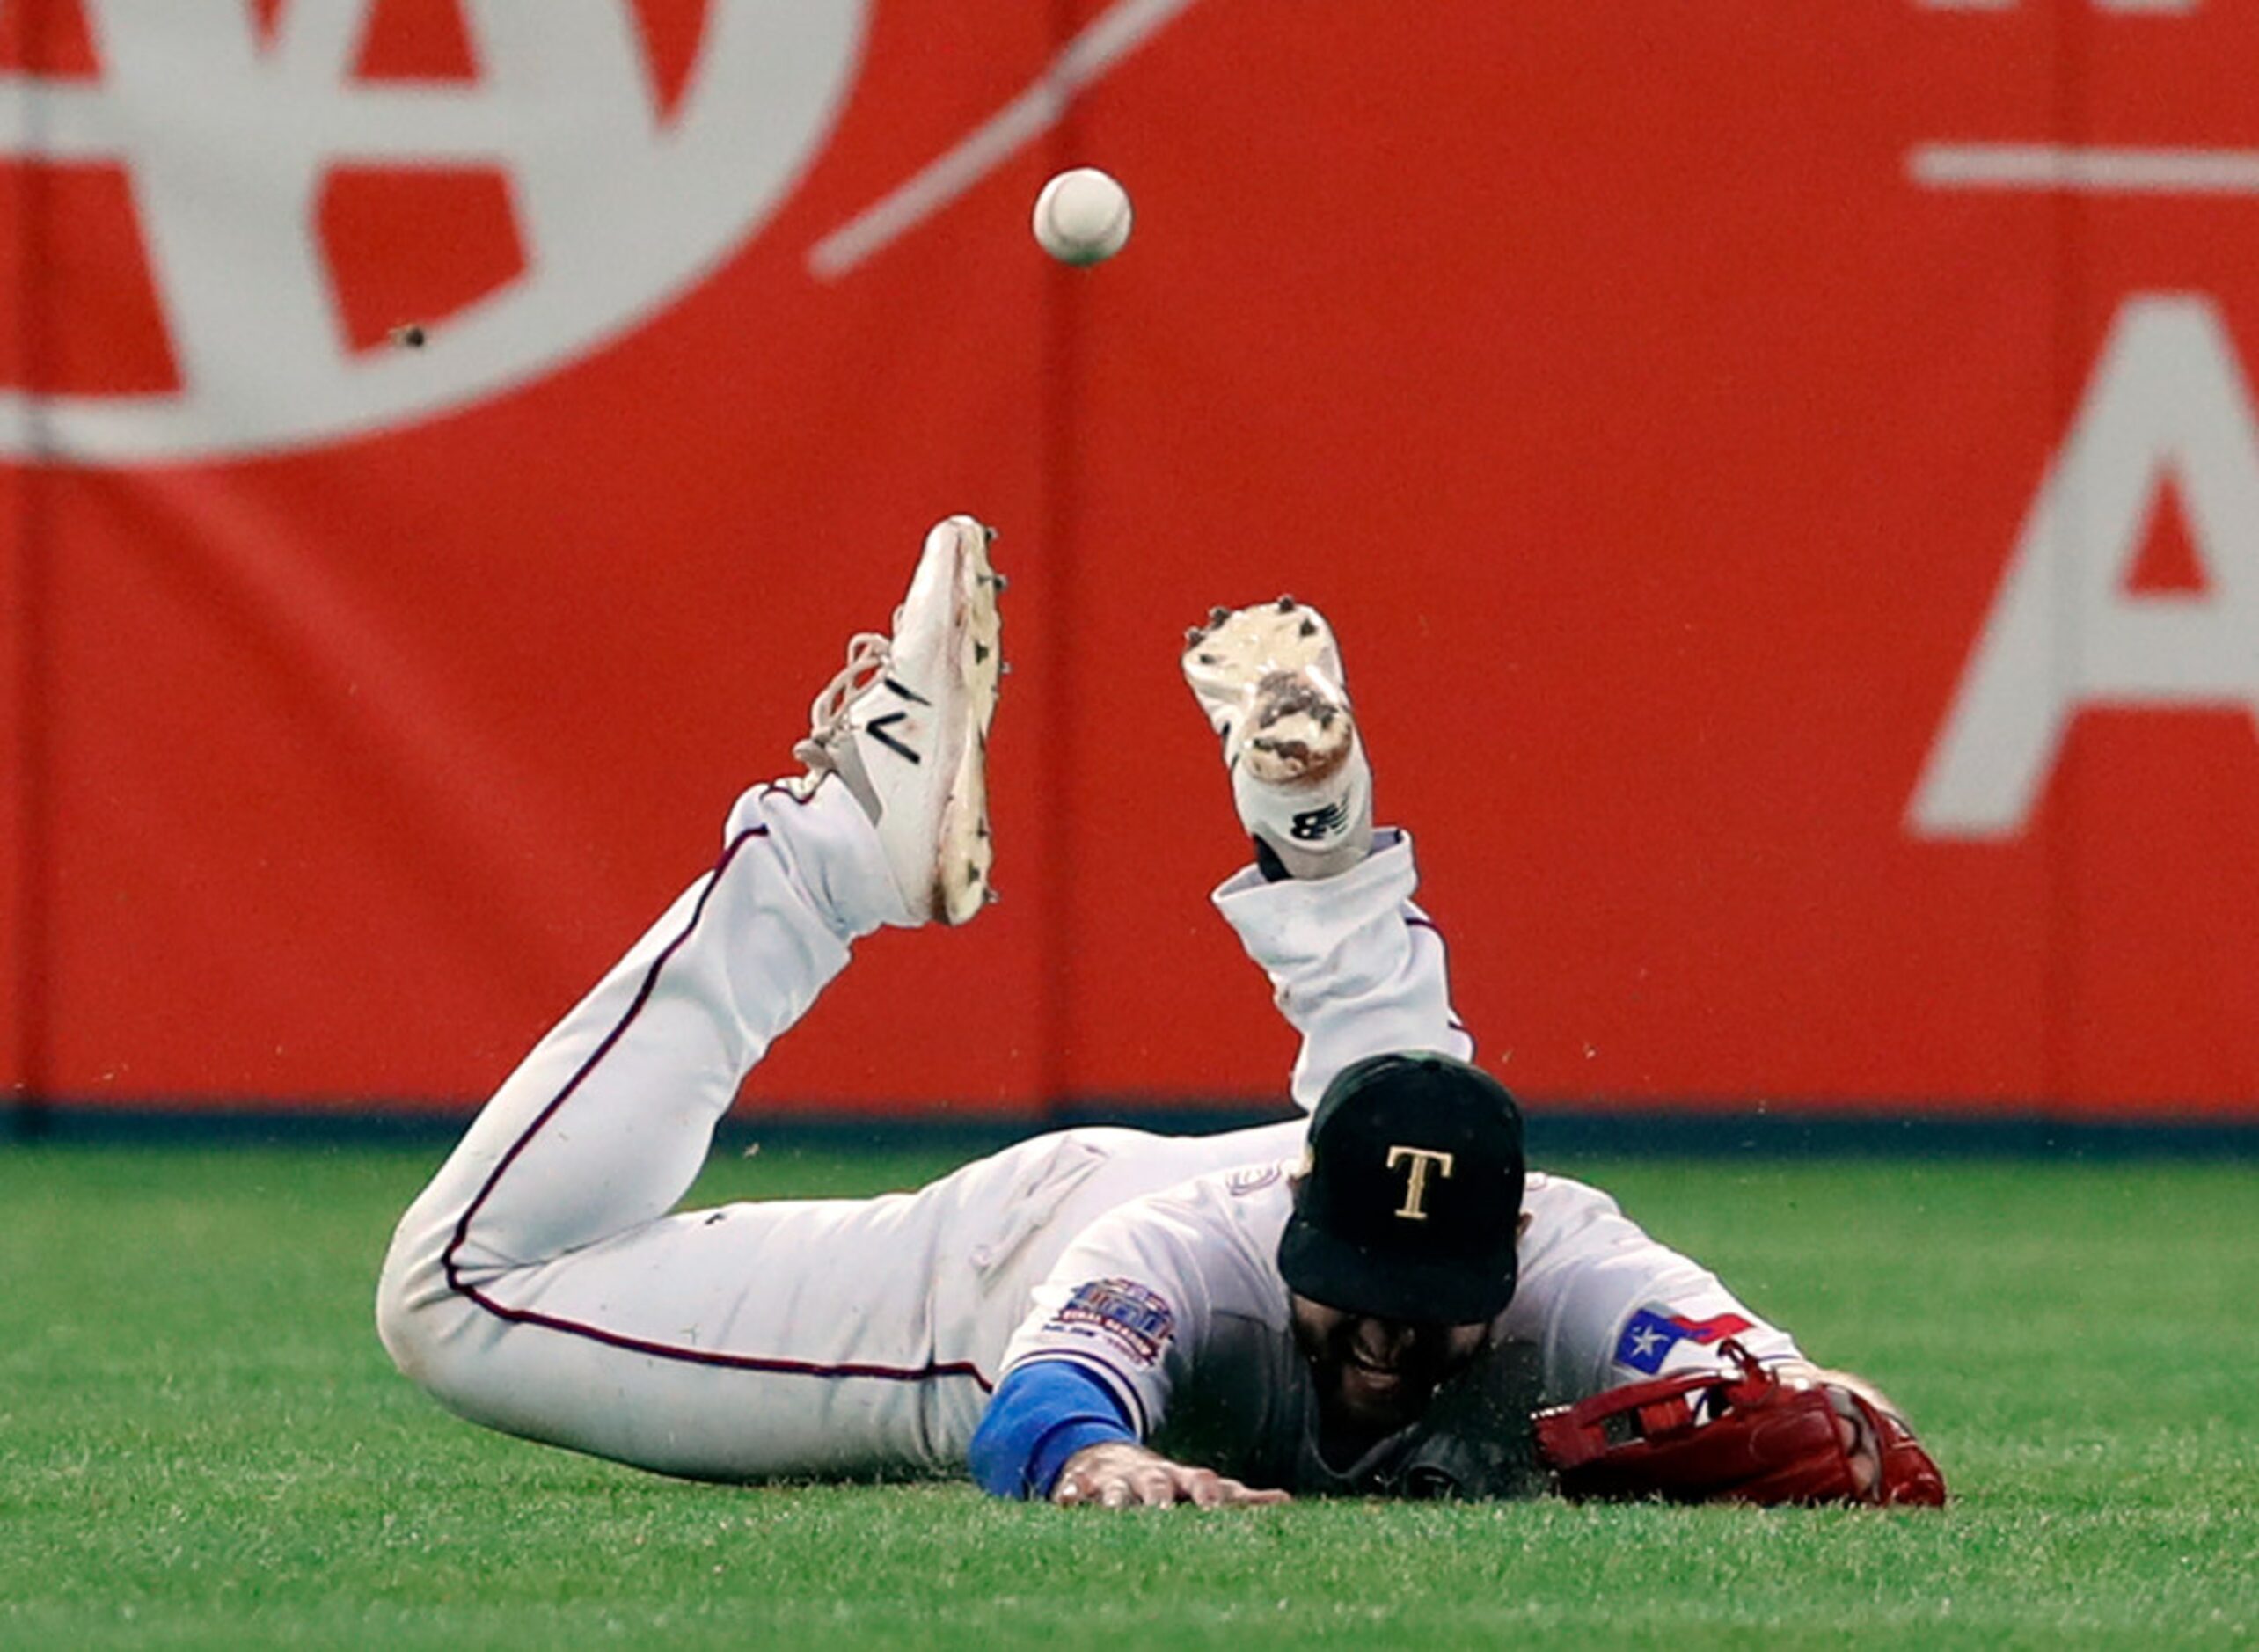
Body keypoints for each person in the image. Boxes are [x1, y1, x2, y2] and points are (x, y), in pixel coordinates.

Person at [375, 515, 1945, 1509]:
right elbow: (1043, 1404)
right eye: (1359, 1295)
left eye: (1429, 1303)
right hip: (988, 1277)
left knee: (1408, 1102)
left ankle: (1320, 849)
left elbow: (1791, 1390)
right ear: (1299, 1250)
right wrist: (1101, 1459)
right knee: (454, 1295)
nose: (1391, 1345)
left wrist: (1822, 1415)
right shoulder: (1193, 1260)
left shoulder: (1564, 1244)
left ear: (1508, 1256)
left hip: (1318, 1154)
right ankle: (828, 850)